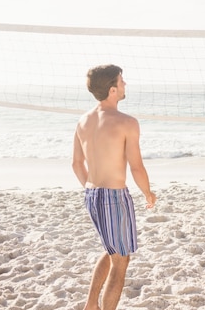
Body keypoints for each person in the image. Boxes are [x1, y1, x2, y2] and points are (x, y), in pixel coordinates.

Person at [72, 64, 157, 310]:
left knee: (111, 251)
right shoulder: (126, 122)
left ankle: (91, 305)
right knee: (121, 260)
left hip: (91, 194)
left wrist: (92, 189)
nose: (125, 84)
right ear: (112, 89)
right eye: (122, 81)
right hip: (114, 198)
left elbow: (77, 164)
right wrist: (148, 193)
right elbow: (137, 167)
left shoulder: (83, 120)